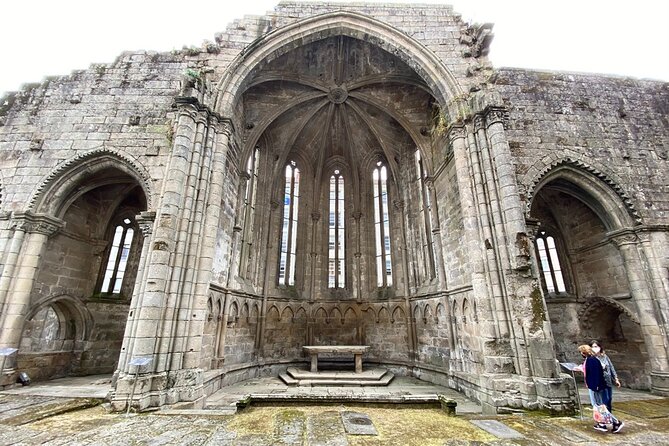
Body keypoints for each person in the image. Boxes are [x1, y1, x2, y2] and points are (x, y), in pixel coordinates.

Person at [578, 344, 624, 433]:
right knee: (600, 407)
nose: (581, 353)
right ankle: (603, 423)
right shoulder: (591, 359)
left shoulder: (592, 360)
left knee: (601, 407)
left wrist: (596, 386)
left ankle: (616, 422)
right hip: (595, 386)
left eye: (581, 352)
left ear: (584, 352)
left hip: (596, 386)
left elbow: (596, 375)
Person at [590, 340, 620, 412]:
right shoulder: (591, 358)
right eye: (592, 347)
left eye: (596, 346)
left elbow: (611, 367)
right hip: (600, 382)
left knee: (609, 398)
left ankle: (609, 415)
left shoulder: (605, 356)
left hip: (608, 380)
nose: (594, 348)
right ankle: (604, 417)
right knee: (603, 400)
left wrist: (616, 378)